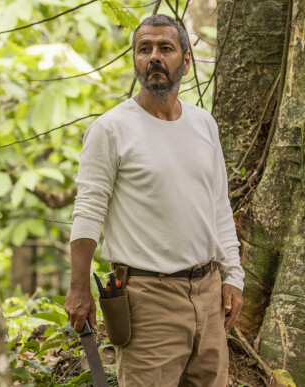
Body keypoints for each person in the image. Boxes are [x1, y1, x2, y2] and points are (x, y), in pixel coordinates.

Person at [64, 14, 245, 387]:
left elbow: (218, 207)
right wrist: (79, 286)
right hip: (147, 298)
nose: (154, 58)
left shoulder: (203, 124)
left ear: (186, 60)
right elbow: (88, 211)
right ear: (135, 59)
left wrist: (234, 276)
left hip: (208, 293)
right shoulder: (111, 129)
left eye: (165, 48)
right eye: (144, 49)